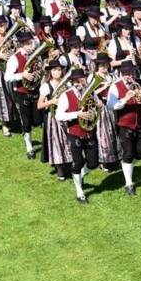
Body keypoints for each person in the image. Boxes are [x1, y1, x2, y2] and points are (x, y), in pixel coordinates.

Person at [107, 61, 141, 196]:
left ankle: (129, 168)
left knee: (140, 153)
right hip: (125, 125)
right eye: (126, 73)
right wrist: (125, 99)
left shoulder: (139, 82)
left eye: (131, 73)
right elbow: (111, 106)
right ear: (122, 73)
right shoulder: (115, 86)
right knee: (128, 153)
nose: (129, 76)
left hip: (140, 123)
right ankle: (129, 183)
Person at [56, 68, 100, 203]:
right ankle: (80, 193)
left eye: (81, 80)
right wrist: (77, 114)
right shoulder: (66, 95)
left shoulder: (90, 92)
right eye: (76, 81)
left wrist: (99, 104)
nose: (80, 83)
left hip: (89, 132)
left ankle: (79, 177)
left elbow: (98, 105)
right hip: (75, 133)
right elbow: (59, 115)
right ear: (73, 82)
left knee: (93, 163)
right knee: (78, 163)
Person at [4, 30, 42, 159]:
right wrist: (22, 75)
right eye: (29, 44)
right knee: (26, 122)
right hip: (22, 93)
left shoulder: (36, 55)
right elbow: (7, 77)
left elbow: (39, 70)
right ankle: (29, 147)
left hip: (35, 90)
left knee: (37, 120)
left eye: (32, 43)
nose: (32, 46)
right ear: (22, 45)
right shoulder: (15, 58)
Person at [38, 59, 73, 182]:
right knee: (56, 143)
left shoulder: (67, 85)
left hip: (66, 115)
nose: (57, 72)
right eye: (54, 70)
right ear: (50, 72)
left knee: (67, 140)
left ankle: (69, 163)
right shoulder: (46, 87)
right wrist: (51, 101)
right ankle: (60, 170)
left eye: (59, 70)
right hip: (52, 118)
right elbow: (39, 105)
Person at [92, 53, 121, 169]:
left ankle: (115, 157)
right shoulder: (93, 77)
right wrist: (105, 86)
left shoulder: (113, 76)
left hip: (112, 107)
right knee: (103, 134)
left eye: (105, 65)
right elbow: (90, 94)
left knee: (114, 132)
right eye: (101, 65)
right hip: (101, 107)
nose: (104, 67)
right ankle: (104, 161)